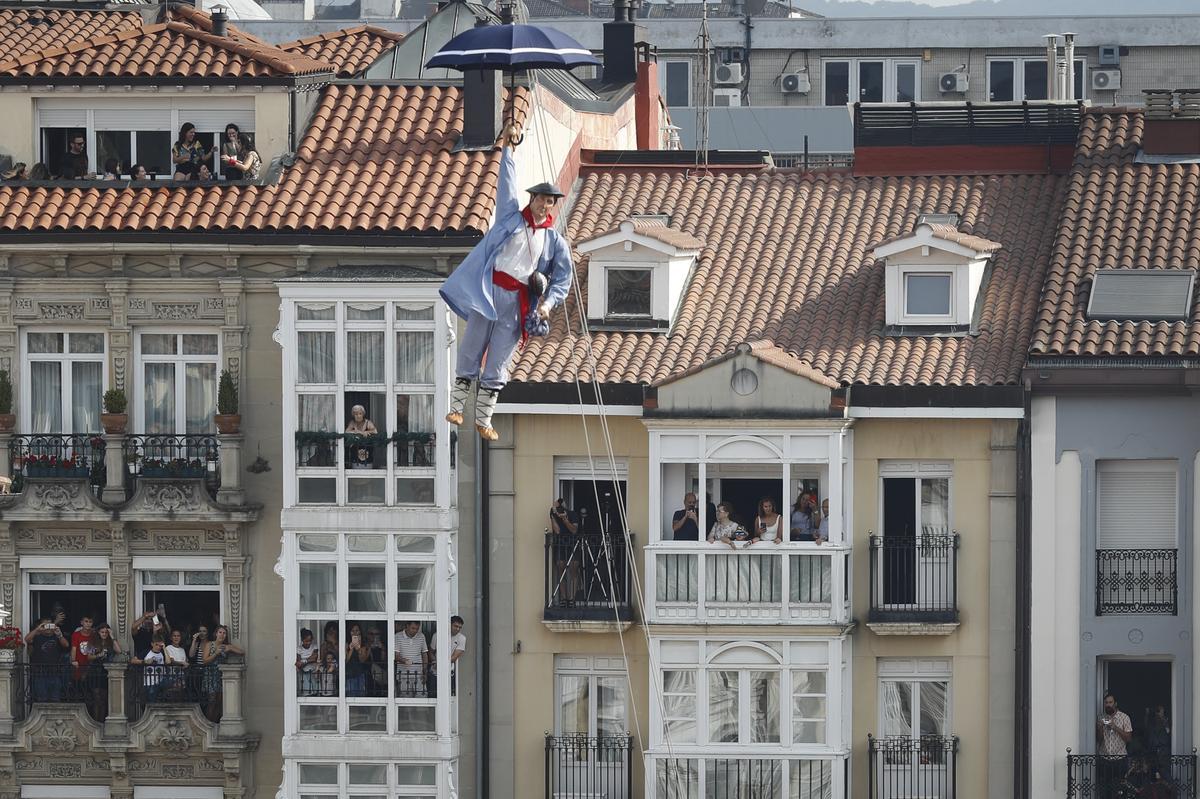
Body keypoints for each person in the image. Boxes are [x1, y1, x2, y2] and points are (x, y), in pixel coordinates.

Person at [441, 141, 573, 441]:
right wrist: (508, 149)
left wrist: (548, 304)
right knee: (472, 346)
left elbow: (562, 278)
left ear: (553, 205)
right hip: (490, 292)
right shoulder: (511, 218)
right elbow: (507, 184)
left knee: (500, 358)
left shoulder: (554, 241)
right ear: (533, 199)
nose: (544, 205)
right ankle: (457, 407)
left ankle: (484, 418)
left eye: (549, 202)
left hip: (518, 302)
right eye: (540, 199)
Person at [202, 625, 244, 722]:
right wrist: (215, 653)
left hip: (221, 676)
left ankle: (216, 722)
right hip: (210, 675)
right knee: (211, 701)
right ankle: (209, 723)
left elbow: (242, 652)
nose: (222, 635)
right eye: (220, 632)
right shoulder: (210, 644)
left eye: (224, 633)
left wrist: (230, 648)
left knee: (220, 702)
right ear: (216, 634)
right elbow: (204, 660)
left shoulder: (226, 646)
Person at [1097, 692, 1133, 799]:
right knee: (1105, 790)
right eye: (1106, 703)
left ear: (1115, 703)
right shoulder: (1101, 717)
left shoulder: (1124, 717)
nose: (1108, 705)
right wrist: (1100, 728)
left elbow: (1129, 738)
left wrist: (1115, 727)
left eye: (1110, 702)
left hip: (1120, 758)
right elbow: (1099, 740)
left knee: (1121, 790)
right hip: (1104, 759)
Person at [26, 617, 69, 701]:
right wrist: (37, 629)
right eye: (45, 625)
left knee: (55, 699)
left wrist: (59, 635)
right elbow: (27, 639)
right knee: (42, 699)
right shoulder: (37, 636)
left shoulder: (56, 636)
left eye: (50, 625)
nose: (48, 627)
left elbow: (66, 645)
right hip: (40, 673)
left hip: (55, 672)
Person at [550, 498, 580, 604]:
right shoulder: (554, 514)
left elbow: (574, 530)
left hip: (573, 544)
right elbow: (557, 531)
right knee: (560, 569)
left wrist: (565, 519)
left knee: (573, 570)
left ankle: (572, 598)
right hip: (560, 544)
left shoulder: (573, 514)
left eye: (560, 506)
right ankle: (563, 598)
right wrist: (553, 516)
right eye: (557, 507)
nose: (559, 509)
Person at [428, 616, 466, 698]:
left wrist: (440, 664)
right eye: (456, 626)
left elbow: (454, 657)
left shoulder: (462, 638)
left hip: (449, 673)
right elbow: (431, 652)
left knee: (448, 698)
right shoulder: (437, 635)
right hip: (434, 672)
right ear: (449, 625)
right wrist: (435, 662)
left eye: (460, 627)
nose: (458, 629)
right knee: (432, 697)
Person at [393, 620, 428, 697]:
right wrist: (404, 660)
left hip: (419, 675)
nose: (415, 631)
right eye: (413, 628)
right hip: (404, 675)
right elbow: (396, 655)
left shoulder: (421, 636)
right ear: (407, 626)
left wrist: (425, 671)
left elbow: (424, 654)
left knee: (422, 699)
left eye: (417, 629)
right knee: (405, 702)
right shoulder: (397, 636)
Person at [131, 637, 167, 703]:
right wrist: (145, 662)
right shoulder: (146, 652)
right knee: (150, 703)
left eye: (160, 645)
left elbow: (168, 662)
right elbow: (133, 660)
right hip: (149, 682)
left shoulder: (163, 653)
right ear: (152, 644)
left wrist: (164, 649)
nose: (158, 647)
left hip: (161, 681)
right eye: (156, 645)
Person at [345, 405, 378, 470]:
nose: (358, 416)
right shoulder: (352, 423)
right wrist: (360, 432)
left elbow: (375, 431)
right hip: (355, 450)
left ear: (363, 414)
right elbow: (347, 432)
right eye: (356, 414)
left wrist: (367, 432)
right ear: (353, 415)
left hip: (367, 450)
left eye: (360, 413)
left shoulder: (368, 422)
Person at [344, 622, 370, 697]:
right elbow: (345, 661)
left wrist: (358, 649)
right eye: (352, 631)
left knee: (360, 697)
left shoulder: (364, 645)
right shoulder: (345, 644)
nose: (355, 633)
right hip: (349, 675)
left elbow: (362, 660)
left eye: (357, 630)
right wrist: (351, 649)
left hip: (360, 674)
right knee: (350, 697)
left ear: (360, 632)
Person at [295, 627, 319, 695]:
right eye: (306, 641)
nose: (309, 643)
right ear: (302, 640)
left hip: (313, 671)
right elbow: (299, 664)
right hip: (304, 673)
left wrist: (304, 661)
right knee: (307, 692)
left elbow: (314, 658)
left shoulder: (314, 646)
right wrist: (308, 660)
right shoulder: (299, 649)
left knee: (315, 690)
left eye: (310, 640)